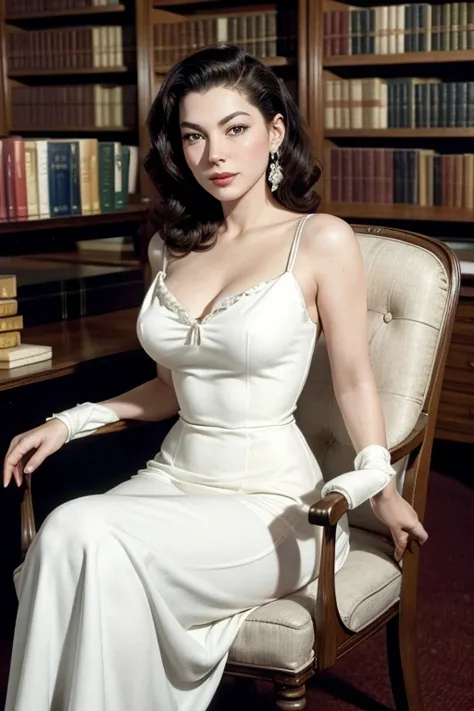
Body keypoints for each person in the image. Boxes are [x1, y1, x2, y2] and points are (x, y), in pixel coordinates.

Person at [3, 44, 428, 711]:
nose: (215, 156)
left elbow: (353, 381)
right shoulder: (167, 245)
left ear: (275, 132)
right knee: (64, 534)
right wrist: (70, 420)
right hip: (175, 478)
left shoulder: (320, 240)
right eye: (194, 136)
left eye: (235, 129)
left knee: (89, 535)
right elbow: (172, 387)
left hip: (275, 505)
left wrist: (380, 484)